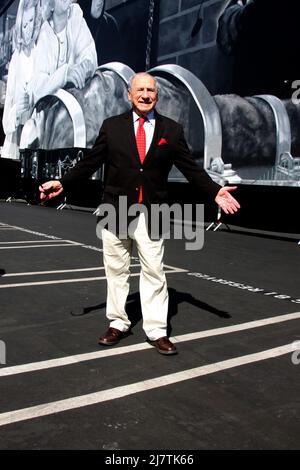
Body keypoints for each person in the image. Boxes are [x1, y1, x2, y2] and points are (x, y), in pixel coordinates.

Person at [39, 72, 240, 355]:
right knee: (116, 271)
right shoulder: (112, 127)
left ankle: (157, 331)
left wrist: (214, 190)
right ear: (129, 95)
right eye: (140, 90)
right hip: (115, 209)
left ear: (157, 96)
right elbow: (90, 162)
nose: (146, 95)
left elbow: (191, 169)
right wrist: (63, 182)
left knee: (154, 272)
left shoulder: (171, 131)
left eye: (151, 90)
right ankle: (118, 323)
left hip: (154, 212)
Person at [33, 0, 97, 104]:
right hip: (52, 111)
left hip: (80, 100)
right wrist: (64, 75)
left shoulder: (76, 17)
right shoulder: (44, 34)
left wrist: (86, 64)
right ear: (50, 4)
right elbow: (38, 88)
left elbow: (88, 52)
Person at [1, 0, 42, 159]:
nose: (28, 29)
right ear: (19, 26)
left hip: (35, 142)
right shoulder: (15, 61)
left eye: (31, 21)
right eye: (24, 25)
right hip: (15, 145)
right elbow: (6, 124)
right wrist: (17, 111)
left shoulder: (41, 55)